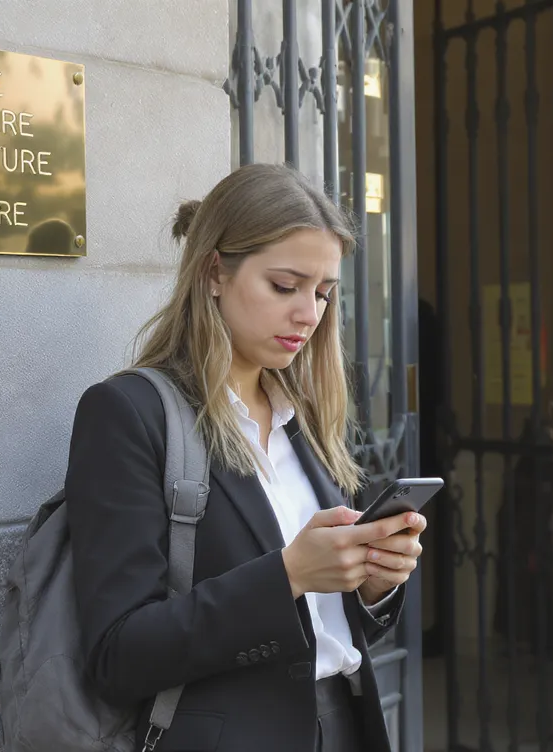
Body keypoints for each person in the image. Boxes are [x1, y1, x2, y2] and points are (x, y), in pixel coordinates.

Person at [64, 163, 425, 751]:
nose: (309, 313)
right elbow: (118, 653)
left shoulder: (303, 415)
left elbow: (335, 634)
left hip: (344, 727)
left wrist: (374, 583)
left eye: (323, 293)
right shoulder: (129, 413)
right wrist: (288, 576)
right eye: (285, 286)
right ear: (214, 272)